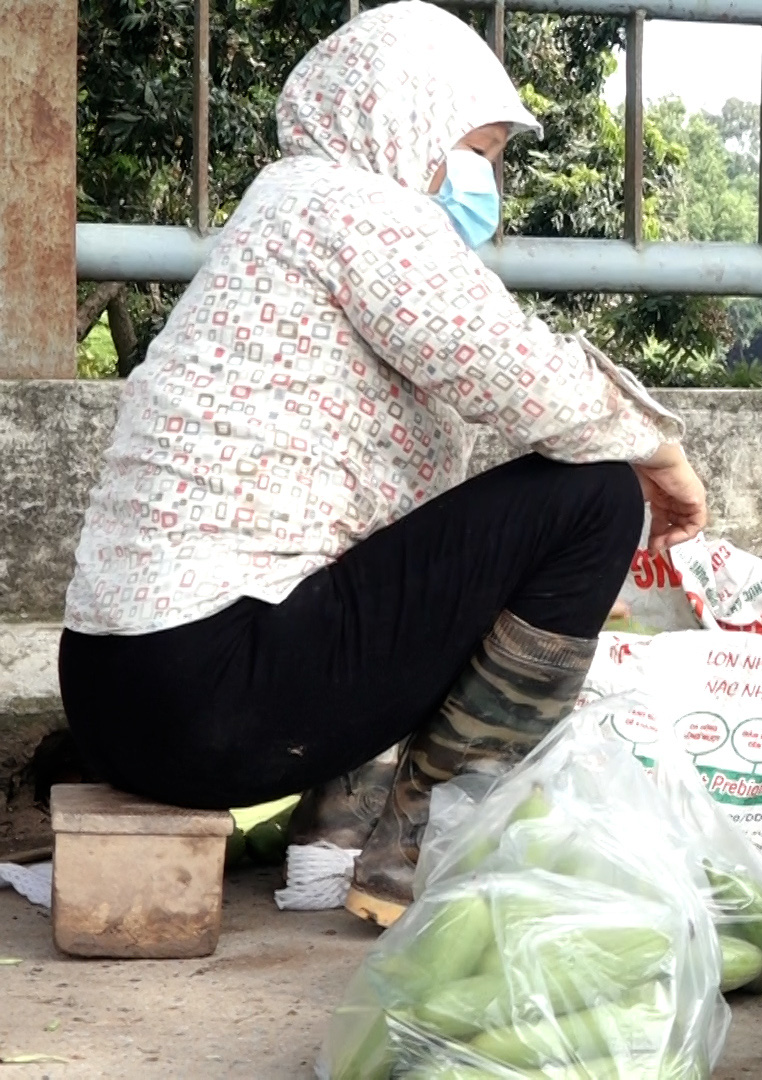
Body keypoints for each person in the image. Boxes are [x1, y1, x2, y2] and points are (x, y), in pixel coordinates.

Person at [55, 0, 705, 928]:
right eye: (479, 149)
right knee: (593, 495)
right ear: (403, 124)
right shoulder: (350, 206)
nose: (487, 178)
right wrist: (659, 448)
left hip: (123, 699)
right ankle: (424, 851)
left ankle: (332, 840)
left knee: (404, 540)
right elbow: (515, 373)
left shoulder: (279, 213)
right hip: (209, 692)